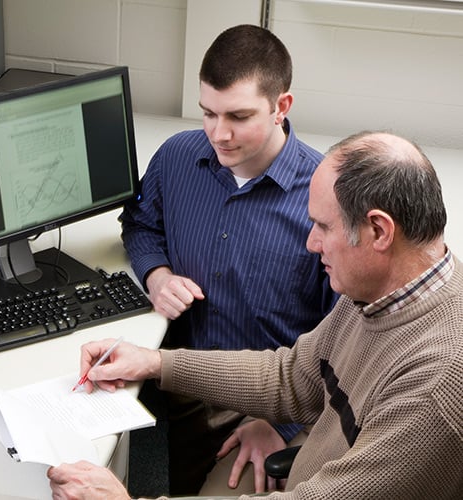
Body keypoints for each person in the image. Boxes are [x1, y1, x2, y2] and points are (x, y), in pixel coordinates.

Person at [49, 131, 463, 499]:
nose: (311, 243)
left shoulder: (434, 387)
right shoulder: (382, 295)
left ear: (379, 232)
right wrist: (157, 363)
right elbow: (289, 377)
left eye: (322, 226)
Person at [119, 24, 337, 495]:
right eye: (208, 114)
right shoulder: (178, 157)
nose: (220, 134)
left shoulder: (325, 200)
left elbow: (345, 342)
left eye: (238, 116)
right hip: (183, 379)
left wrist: (282, 425)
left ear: (282, 107)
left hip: (265, 403)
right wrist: (156, 275)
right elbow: (140, 223)